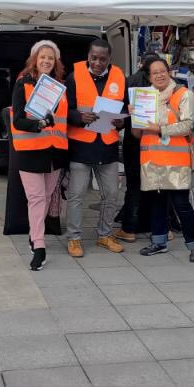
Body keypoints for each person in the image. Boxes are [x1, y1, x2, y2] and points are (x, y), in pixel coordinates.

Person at [132, 58, 194, 260]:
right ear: (149, 77)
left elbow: (187, 126)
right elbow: (137, 134)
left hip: (176, 161)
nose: (159, 75)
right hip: (152, 160)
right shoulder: (145, 97)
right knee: (157, 204)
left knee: (181, 205)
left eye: (162, 71)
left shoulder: (184, 94)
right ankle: (159, 241)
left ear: (169, 71)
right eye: (154, 73)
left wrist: (159, 128)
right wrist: (135, 117)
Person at [9, 41, 69, 271]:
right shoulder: (22, 83)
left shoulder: (59, 87)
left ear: (56, 62)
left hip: (55, 151)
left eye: (50, 58)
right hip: (30, 151)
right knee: (36, 198)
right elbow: (18, 121)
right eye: (42, 57)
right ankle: (40, 247)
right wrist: (40, 123)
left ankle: (34, 235)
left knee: (45, 196)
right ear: (34, 59)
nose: (46, 61)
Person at [64, 39, 126, 257]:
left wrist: (122, 122)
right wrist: (79, 117)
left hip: (107, 146)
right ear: (88, 56)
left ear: (110, 59)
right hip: (81, 146)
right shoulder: (74, 77)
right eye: (94, 58)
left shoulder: (119, 77)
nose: (98, 63)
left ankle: (104, 235)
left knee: (111, 195)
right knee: (76, 196)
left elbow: (125, 109)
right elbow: (64, 110)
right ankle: (74, 239)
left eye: (103, 59)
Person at [115, 53, 161, 243]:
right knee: (156, 185)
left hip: (133, 141)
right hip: (155, 141)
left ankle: (129, 229)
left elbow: (121, 111)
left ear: (141, 64)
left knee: (133, 185)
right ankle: (160, 228)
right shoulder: (163, 85)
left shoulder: (128, 82)